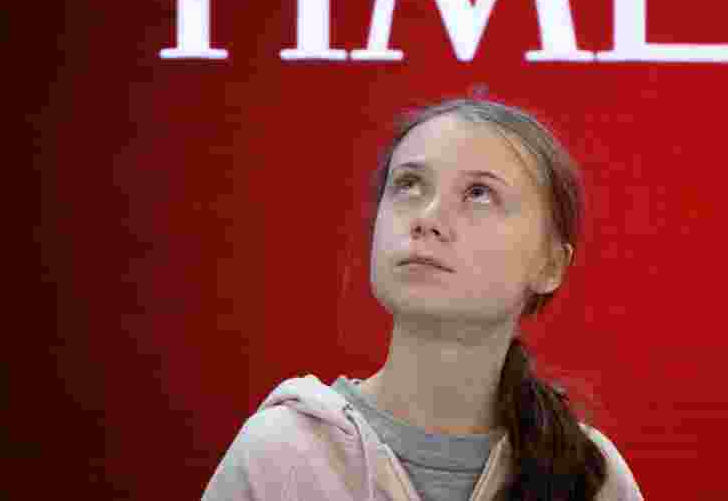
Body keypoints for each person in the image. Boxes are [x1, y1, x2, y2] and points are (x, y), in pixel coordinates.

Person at [200, 94, 644, 500]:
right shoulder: (279, 454)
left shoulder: (590, 476)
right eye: (409, 184)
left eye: (478, 193)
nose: (427, 219)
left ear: (550, 265)